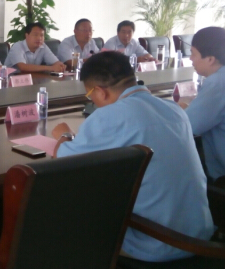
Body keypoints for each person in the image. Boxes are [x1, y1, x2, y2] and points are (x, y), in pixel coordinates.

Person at [51, 51, 213, 262]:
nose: (92, 101)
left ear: (100, 91)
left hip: (156, 244)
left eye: (90, 95)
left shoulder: (108, 116)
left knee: (68, 216)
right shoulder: (173, 109)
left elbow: (64, 161)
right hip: (200, 236)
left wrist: (64, 135)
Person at [180, 26, 225, 182]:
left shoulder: (217, 83)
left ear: (210, 59)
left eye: (193, 53)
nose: (191, 59)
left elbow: (189, 125)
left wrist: (182, 109)